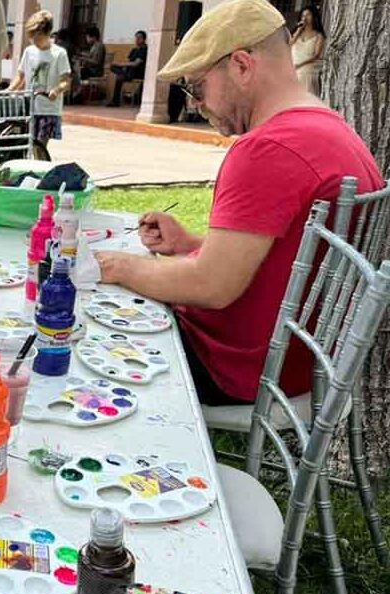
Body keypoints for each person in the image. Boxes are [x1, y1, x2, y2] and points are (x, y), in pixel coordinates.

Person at [94, 0, 383, 407]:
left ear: (242, 66)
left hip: (236, 368)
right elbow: (283, 262)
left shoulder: (268, 147)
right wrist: (190, 245)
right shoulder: (329, 129)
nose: (196, 103)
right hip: (294, 367)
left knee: (83, 319)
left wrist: (118, 265)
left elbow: (210, 286)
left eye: (197, 87)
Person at [7, 10, 71, 161]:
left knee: (40, 145)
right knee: (29, 144)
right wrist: (9, 90)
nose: (32, 40)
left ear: (46, 33)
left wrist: (57, 90)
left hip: (48, 109)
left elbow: (66, 80)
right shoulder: (29, 52)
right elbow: (21, 76)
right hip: (30, 107)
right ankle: (38, 170)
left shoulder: (59, 53)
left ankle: (40, 171)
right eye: (31, 36)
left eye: (36, 36)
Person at [290, 4, 325, 95]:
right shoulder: (296, 32)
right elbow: (288, 45)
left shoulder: (318, 36)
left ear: (314, 17)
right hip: (293, 67)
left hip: (307, 68)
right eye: (303, 15)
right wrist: (298, 31)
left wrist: (300, 64)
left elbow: (316, 55)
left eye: (308, 15)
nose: (305, 18)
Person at [107, 29, 148, 106]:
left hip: (138, 72)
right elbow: (129, 62)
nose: (137, 40)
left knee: (119, 77)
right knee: (113, 67)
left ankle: (115, 101)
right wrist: (123, 67)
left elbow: (136, 64)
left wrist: (120, 64)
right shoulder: (134, 50)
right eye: (136, 38)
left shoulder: (144, 50)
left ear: (144, 39)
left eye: (139, 38)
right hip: (129, 71)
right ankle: (124, 74)